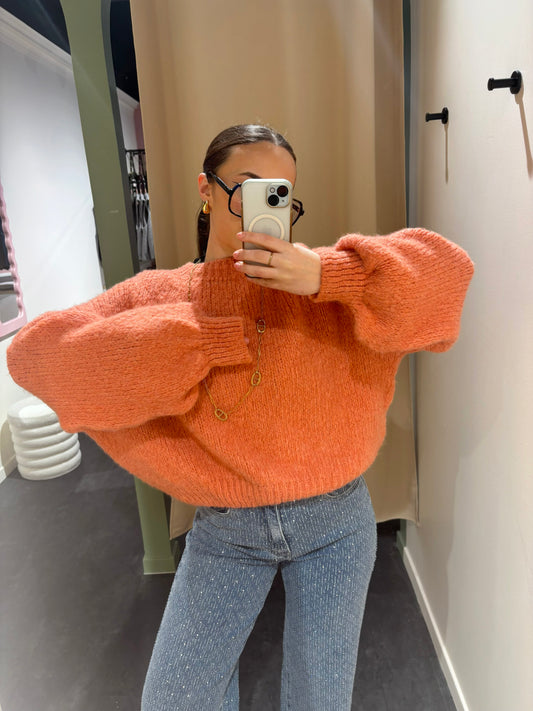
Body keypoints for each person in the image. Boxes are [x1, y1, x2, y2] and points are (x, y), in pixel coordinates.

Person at [7, 124, 474, 711]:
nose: (263, 207)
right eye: (247, 188)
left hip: (336, 524)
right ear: (207, 190)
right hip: (227, 532)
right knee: (177, 700)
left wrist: (329, 275)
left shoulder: (326, 289)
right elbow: (36, 358)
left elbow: (448, 279)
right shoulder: (167, 293)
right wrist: (196, 338)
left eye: (280, 194)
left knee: (320, 700)